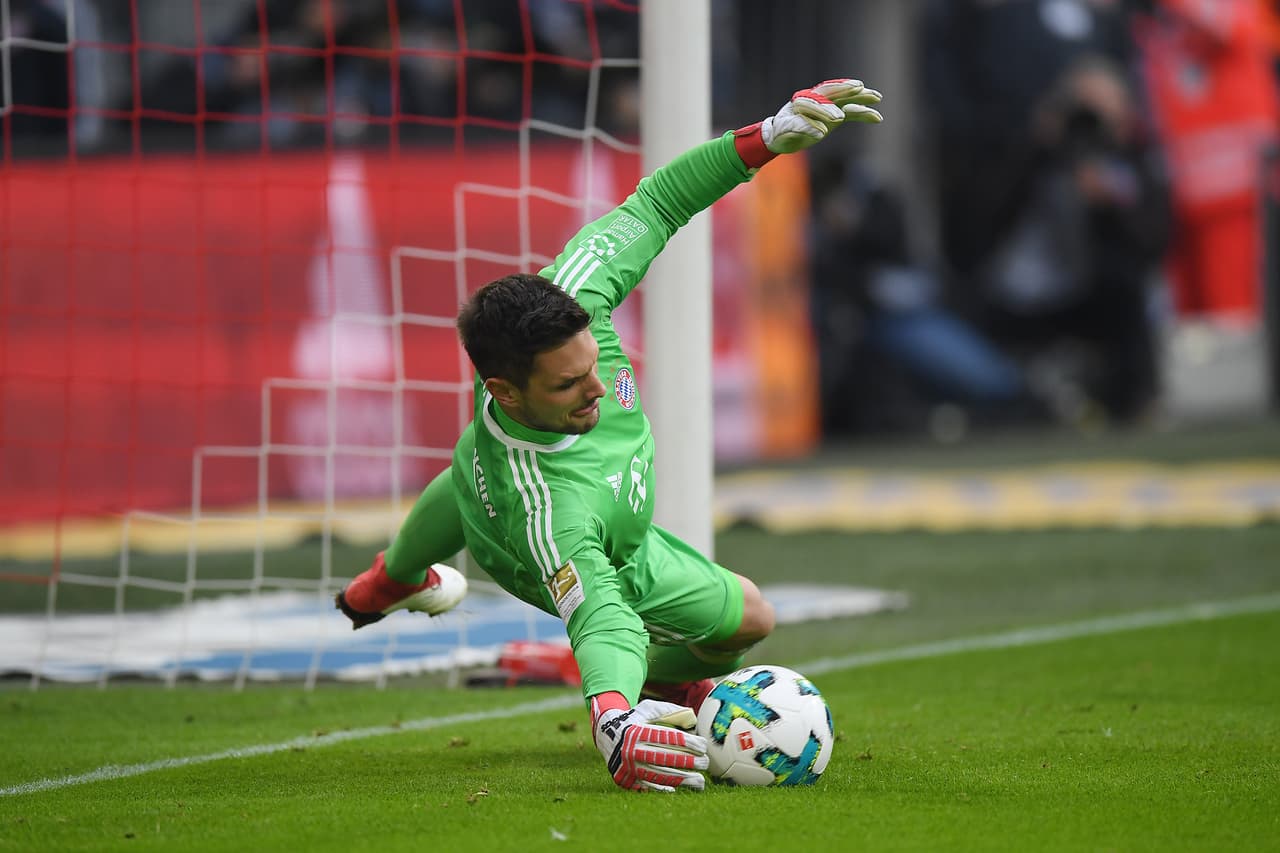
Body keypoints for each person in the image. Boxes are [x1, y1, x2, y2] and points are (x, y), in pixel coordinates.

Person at [333, 78, 884, 792]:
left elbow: (657, 203)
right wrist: (614, 721)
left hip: (597, 521)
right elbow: (600, 617)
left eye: (592, 363)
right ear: (505, 389)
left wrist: (769, 135)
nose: (596, 387)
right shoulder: (549, 513)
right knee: (571, 585)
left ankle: (389, 581)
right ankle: (648, 693)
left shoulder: (575, 290)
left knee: (751, 618)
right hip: (533, 541)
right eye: (567, 386)